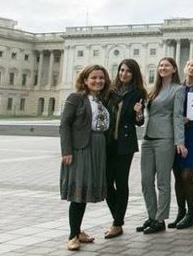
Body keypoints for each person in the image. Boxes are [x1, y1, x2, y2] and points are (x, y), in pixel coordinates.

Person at [60, 65, 111, 251]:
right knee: (78, 192)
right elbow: (64, 124)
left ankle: (78, 230)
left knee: (85, 191)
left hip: (98, 147)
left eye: (101, 78)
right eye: (94, 78)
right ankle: (72, 235)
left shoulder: (101, 99)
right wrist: (66, 150)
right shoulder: (76, 98)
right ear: (85, 80)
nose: (98, 81)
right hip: (81, 147)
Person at [136, 57, 186, 235]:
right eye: (161, 65)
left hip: (165, 137)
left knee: (163, 182)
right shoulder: (153, 91)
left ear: (174, 69)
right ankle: (152, 215)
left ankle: (160, 219)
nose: (163, 68)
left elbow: (178, 116)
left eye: (167, 65)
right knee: (145, 181)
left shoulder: (178, 90)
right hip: (148, 138)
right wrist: (139, 113)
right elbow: (145, 116)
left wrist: (179, 141)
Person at [105, 60, 147, 239]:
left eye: (128, 71)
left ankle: (117, 223)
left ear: (134, 74)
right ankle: (117, 217)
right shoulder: (110, 91)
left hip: (125, 144)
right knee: (106, 183)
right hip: (107, 143)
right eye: (122, 70)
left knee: (121, 182)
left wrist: (139, 112)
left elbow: (139, 122)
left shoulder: (138, 93)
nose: (124, 74)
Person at [168, 59, 193, 230]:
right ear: (185, 68)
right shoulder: (175, 87)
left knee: (187, 176)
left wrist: (191, 119)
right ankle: (181, 212)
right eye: (191, 65)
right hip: (175, 134)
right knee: (177, 176)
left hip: (192, 135)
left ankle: (190, 214)